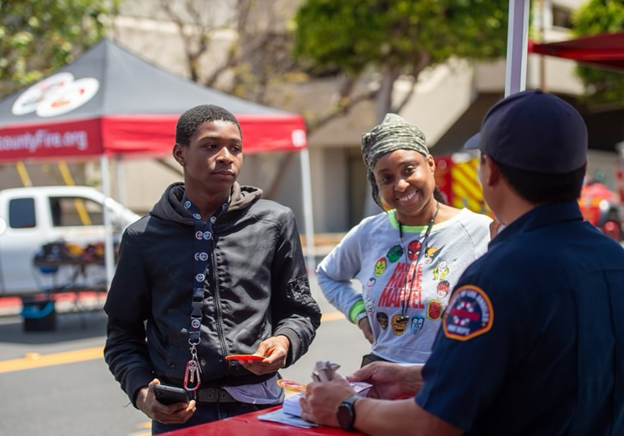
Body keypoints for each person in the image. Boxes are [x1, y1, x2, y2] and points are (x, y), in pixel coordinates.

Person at [300, 90, 624, 435]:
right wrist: (414, 375)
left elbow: (437, 421)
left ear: (491, 171)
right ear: (583, 169)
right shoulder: (614, 261)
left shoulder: (496, 275)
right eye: (386, 177)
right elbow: (532, 370)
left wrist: (346, 407)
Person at [103, 104, 321, 434]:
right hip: (178, 415)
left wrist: (285, 341)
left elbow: (300, 312)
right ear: (180, 154)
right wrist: (142, 392)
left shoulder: (274, 223)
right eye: (210, 146)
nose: (225, 156)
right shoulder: (142, 236)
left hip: (261, 408)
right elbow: (122, 334)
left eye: (235, 148)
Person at [317, 113, 491, 366]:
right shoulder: (369, 233)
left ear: (430, 164)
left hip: (449, 376)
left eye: (409, 170)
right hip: (382, 372)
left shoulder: (478, 230)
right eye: (386, 178)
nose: (400, 185)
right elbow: (328, 274)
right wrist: (360, 314)